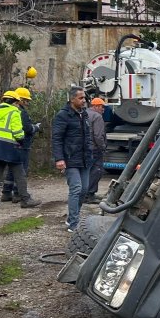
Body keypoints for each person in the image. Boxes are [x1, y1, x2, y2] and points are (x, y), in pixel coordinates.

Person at [0, 91, 39, 210]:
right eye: (17, 103)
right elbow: (18, 133)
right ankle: (25, 199)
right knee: (20, 173)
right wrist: (21, 140)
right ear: (14, 102)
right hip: (11, 147)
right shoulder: (14, 112)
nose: (18, 105)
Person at [52, 86, 92, 233]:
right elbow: (57, 138)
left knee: (85, 189)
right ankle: (74, 223)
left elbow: (87, 136)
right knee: (76, 188)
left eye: (84, 98)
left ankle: (71, 217)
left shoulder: (84, 114)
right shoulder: (63, 116)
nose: (84, 100)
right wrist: (59, 159)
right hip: (70, 159)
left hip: (85, 158)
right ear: (72, 99)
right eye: (80, 98)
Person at [2, 86, 39, 202]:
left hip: (11, 144)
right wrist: (35, 128)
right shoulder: (21, 112)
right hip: (22, 144)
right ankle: (18, 193)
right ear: (20, 100)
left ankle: (6, 192)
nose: (27, 103)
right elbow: (27, 128)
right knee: (21, 170)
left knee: (12, 170)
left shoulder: (7, 111)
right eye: (26, 100)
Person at [83, 97, 107, 203]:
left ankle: (85, 193)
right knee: (96, 171)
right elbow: (98, 135)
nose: (103, 110)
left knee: (87, 172)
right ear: (96, 106)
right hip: (95, 148)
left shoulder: (84, 113)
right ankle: (90, 195)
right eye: (102, 107)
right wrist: (102, 146)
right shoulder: (97, 117)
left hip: (86, 148)